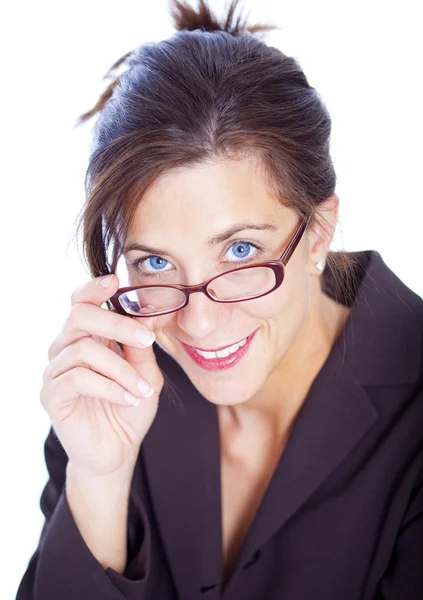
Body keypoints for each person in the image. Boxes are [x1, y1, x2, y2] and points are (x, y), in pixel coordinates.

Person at [16, 1, 423, 599]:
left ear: (317, 232)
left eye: (238, 252)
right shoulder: (111, 392)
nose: (199, 324)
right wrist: (100, 477)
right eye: (155, 262)